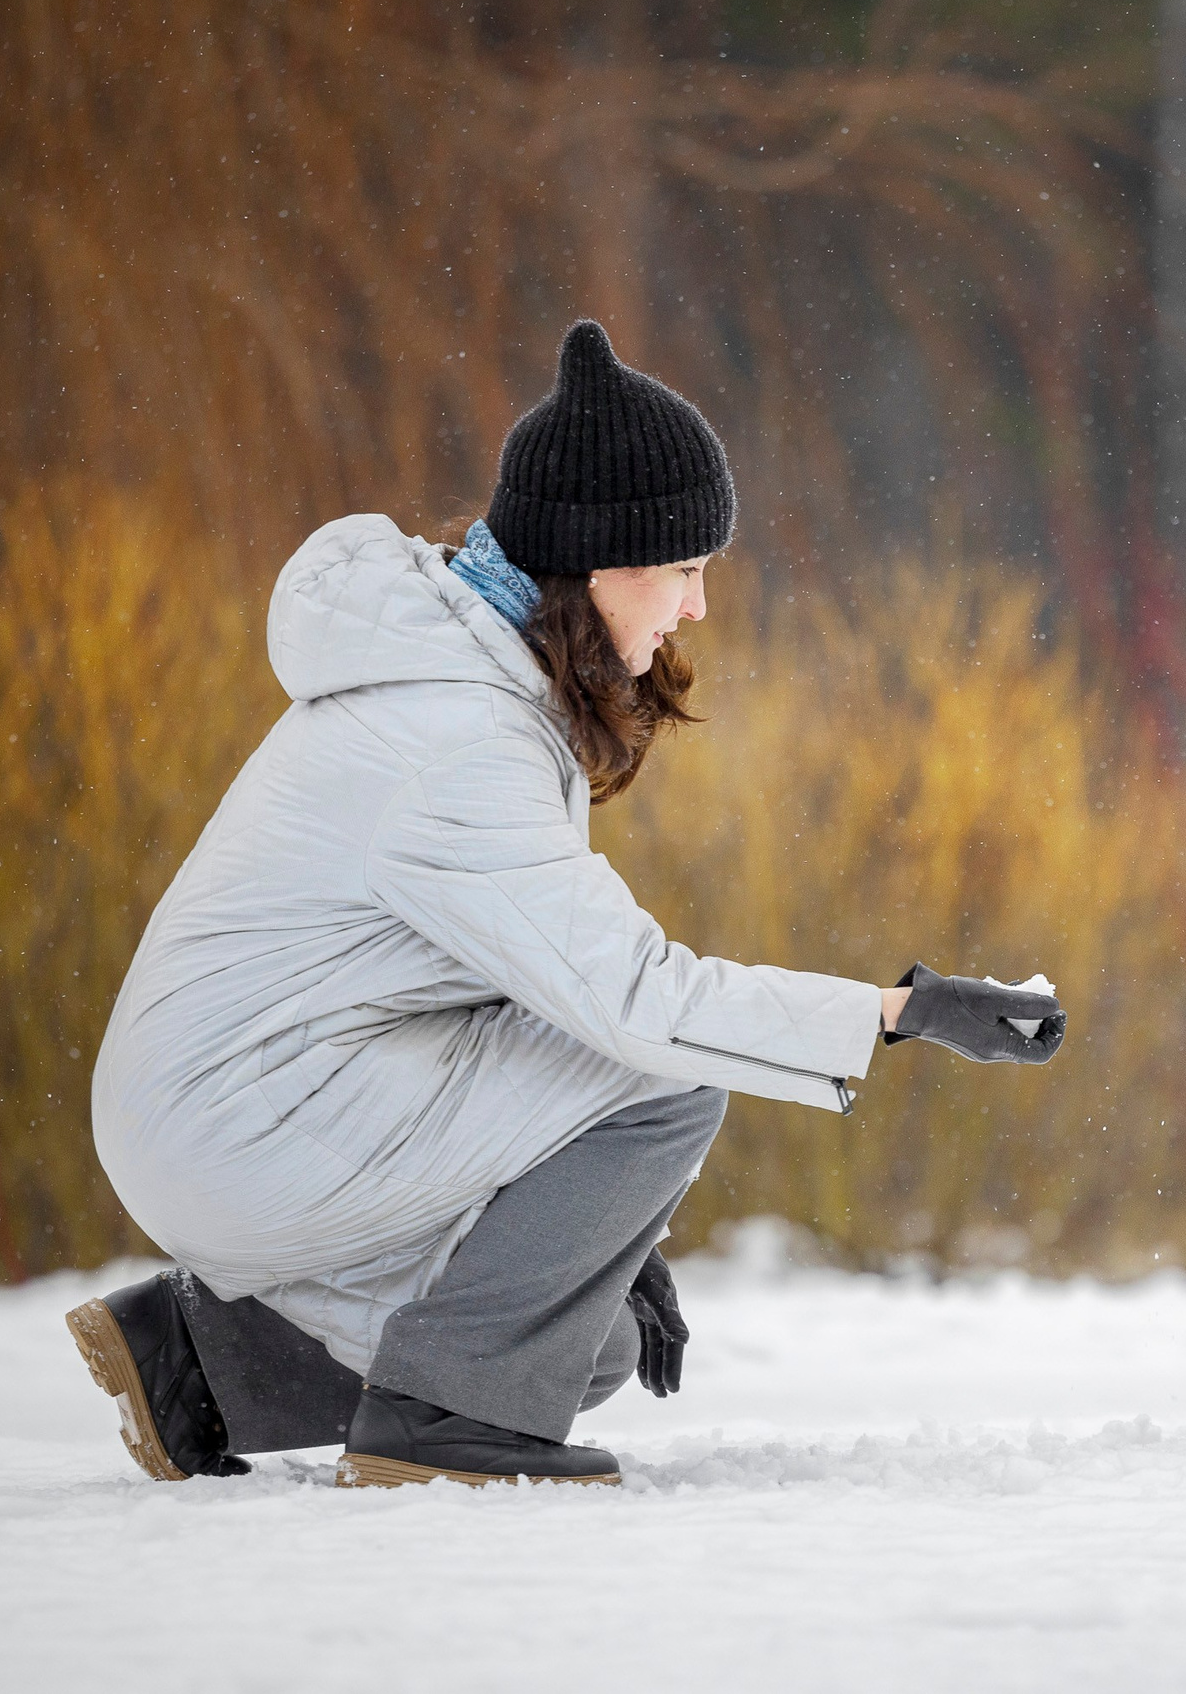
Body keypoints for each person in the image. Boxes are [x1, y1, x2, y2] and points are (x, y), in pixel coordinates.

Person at [69, 320, 1065, 1489]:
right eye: (685, 569)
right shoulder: (457, 737)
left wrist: (592, 1232)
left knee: (579, 1351)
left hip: (249, 1104)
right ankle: (436, 1430)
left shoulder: (454, 680)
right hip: (247, 1119)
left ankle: (197, 1364)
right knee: (664, 1076)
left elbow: (518, 989)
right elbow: (632, 1002)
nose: (697, 606)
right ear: (601, 565)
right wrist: (896, 1012)